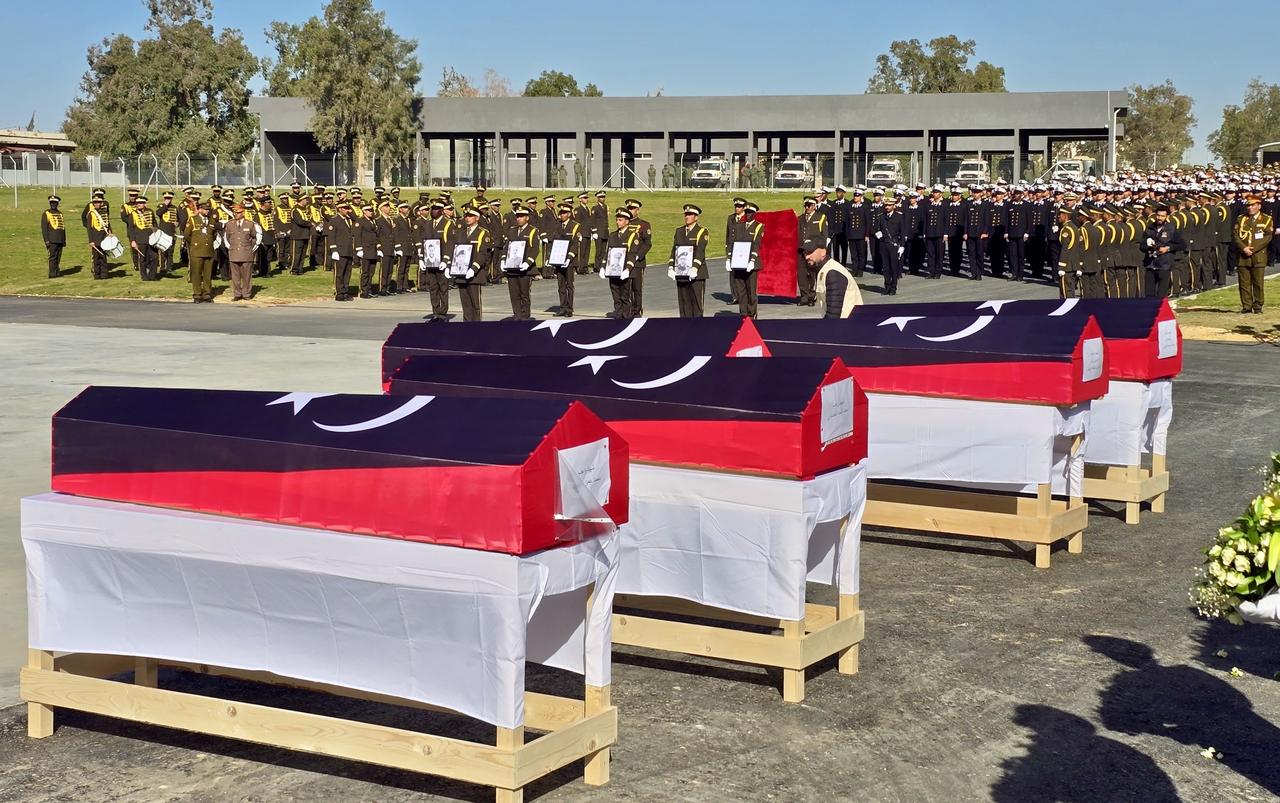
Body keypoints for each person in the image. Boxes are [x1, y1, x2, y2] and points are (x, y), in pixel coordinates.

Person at [668, 204, 709, 317]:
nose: (687, 217)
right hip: (681, 272)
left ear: (696, 217)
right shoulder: (679, 231)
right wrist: (671, 266)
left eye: (690, 215)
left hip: (696, 274)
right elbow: (674, 250)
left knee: (696, 304)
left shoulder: (702, 231)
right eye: (686, 214)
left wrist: (694, 268)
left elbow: (700, 251)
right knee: (684, 304)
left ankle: (697, 330)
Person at [1234, 195, 1273, 313]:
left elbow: (1268, 237)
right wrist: (1244, 248)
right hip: (1243, 255)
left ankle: (1258, 305)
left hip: (1258, 255)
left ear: (1259, 206)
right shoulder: (1241, 219)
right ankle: (1246, 305)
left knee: (1258, 282)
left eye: (1253, 205)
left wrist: (1253, 249)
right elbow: (1236, 235)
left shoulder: (1266, 219)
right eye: (1248, 205)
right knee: (1244, 283)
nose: (1250, 208)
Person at [455, 205, 492, 321]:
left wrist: (473, 268)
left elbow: (483, 253)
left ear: (477, 218)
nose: (467, 218)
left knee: (475, 304)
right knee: (465, 304)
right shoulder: (460, 233)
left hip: (474, 274)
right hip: (461, 272)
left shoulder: (482, 233)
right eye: (466, 216)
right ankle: (467, 327)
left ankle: (477, 327)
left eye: (471, 216)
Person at [807, 240, 863, 318]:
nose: (807, 257)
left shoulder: (833, 273)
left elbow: (833, 314)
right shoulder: (823, 269)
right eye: (805, 253)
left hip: (847, 325)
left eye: (810, 252)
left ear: (823, 252)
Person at [502, 207, 540, 320]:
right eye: (517, 216)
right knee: (514, 294)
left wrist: (528, 262)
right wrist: (503, 260)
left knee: (524, 294)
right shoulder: (512, 230)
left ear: (527, 218)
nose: (519, 219)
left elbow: (535, 249)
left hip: (525, 269)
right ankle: (517, 314)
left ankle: (525, 316)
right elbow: (506, 247)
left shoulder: (532, 231)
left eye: (521, 216)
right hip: (512, 268)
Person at [728, 201, 764, 318]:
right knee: (741, 290)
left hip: (751, 263)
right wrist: (729, 259)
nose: (748, 215)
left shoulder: (758, 226)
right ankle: (743, 313)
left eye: (750, 213)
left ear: (754, 214)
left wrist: (752, 260)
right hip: (739, 262)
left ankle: (752, 312)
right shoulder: (739, 225)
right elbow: (732, 243)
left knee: (751, 290)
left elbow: (756, 244)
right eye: (747, 212)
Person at [548, 202, 584, 317]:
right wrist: (550, 257)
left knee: (569, 285)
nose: (562, 215)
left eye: (564, 213)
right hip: (558, 260)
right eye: (561, 213)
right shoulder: (557, 225)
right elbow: (554, 241)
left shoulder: (575, 226)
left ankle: (569, 308)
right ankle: (562, 307)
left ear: (569, 213)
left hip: (569, 260)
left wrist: (569, 258)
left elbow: (575, 244)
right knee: (561, 285)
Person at [604, 208, 639, 318]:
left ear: (627, 221)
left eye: (620, 220)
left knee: (625, 295)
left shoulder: (632, 235)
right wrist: (603, 266)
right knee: (615, 294)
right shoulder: (613, 235)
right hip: (613, 270)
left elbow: (632, 253)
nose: (617, 222)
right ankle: (618, 314)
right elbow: (608, 252)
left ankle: (626, 315)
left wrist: (628, 268)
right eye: (617, 220)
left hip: (624, 270)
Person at [224, 204, 258, 302]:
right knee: (235, 276)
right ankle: (237, 294)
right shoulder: (230, 224)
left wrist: (248, 247)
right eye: (235, 212)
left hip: (246, 253)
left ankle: (246, 293)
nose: (236, 214)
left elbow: (254, 238)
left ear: (243, 212)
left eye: (238, 212)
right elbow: (227, 238)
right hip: (234, 253)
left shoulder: (250, 224)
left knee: (247, 276)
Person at [796, 196, 827, 305]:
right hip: (801, 250)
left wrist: (822, 249)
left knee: (812, 274)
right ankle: (804, 296)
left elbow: (824, 235)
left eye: (809, 205)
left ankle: (811, 295)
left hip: (813, 250)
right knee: (801, 274)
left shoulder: (821, 217)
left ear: (814, 206)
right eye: (805, 205)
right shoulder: (800, 218)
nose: (807, 207)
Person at [184, 201, 216, 303]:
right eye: (205, 209)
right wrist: (194, 243)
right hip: (197, 251)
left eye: (208, 209)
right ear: (200, 209)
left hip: (208, 251)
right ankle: (197, 294)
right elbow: (187, 235)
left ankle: (207, 294)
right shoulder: (193, 220)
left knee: (208, 275)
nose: (207, 211)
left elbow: (213, 235)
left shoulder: (211, 221)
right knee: (196, 274)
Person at [874, 194, 906, 295]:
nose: (887, 207)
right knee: (886, 267)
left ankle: (893, 287)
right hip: (884, 244)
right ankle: (887, 286)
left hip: (894, 245)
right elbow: (877, 228)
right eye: (886, 205)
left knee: (894, 267)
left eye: (889, 205)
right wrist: (877, 233)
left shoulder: (899, 217)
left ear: (894, 206)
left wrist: (902, 246)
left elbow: (902, 233)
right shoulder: (881, 216)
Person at [325, 200, 356, 302]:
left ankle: (345, 291)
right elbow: (331, 236)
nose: (348, 210)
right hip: (339, 251)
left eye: (348, 208)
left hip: (348, 250)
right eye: (346, 209)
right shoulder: (334, 220)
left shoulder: (348, 219)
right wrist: (334, 250)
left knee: (347, 273)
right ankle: (339, 293)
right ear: (340, 209)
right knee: (339, 273)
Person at [626, 198, 652, 317]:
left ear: (637, 210)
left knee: (637, 287)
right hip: (625, 261)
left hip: (637, 262)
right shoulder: (624, 224)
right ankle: (628, 309)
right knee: (626, 287)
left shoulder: (643, 225)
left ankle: (637, 309)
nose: (630, 211)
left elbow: (647, 244)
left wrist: (638, 256)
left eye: (632, 209)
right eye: (629, 208)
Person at [126, 195, 159, 281]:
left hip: (151, 239)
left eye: (141, 203)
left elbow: (155, 223)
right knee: (143, 259)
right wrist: (133, 240)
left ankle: (152, 275)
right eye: (138, 203)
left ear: (144, 203)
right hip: (140, 239)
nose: (139, 204)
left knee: (155, 257)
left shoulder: (150, 211)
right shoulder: (133, 214)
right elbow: (131, 228)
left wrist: (155, 231)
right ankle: (144, 276)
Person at [354, 203, 380, 299]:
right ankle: (363, 291)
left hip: (373, 249)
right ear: (364, 211)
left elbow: (375, 234)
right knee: (365, 271)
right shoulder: (360, 221)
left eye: (372, 210)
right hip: (365, 248)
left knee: (371, 272)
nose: (371, 212)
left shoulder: (373, 221)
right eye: (369, 210)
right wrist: (359, 249)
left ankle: (369, 290)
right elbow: (357, 235)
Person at [85, 196, 113, 280]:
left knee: (103, 256)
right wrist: (91, 241)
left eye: (98, 202)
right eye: (95, 202)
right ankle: (97, 274)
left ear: (101, 203)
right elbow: (89, 228)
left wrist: (110, 232)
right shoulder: (91, 214)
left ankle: (104, 274)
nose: (97, 204)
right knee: (96, 257)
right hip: (95, 238)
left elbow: (108, 224)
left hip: (104, 237)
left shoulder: (105, 213)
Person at [40, 194, 66, 278]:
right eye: (51, 203)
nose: (53, 204)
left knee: (58, 256)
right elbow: (44, 228)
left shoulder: (60, 213)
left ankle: (56, 271)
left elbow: (62, 228)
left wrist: (64, 240)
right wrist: (46, 240)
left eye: (55, 203)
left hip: (60, 239)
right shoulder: (46, 213)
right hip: (52, 239)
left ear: (57, 204)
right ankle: (52, 273)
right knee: (52, 257)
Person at [289, 195, 312, 275]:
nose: (307, 201)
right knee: (296, 254)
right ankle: (293, 269)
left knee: (303, 254)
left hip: (305, 234)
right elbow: (300, 221)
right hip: (297, 235)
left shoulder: (305, 209)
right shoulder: (295, 210)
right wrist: (310, 224)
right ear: (301, 200)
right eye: (305, 199)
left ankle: (300, 269)